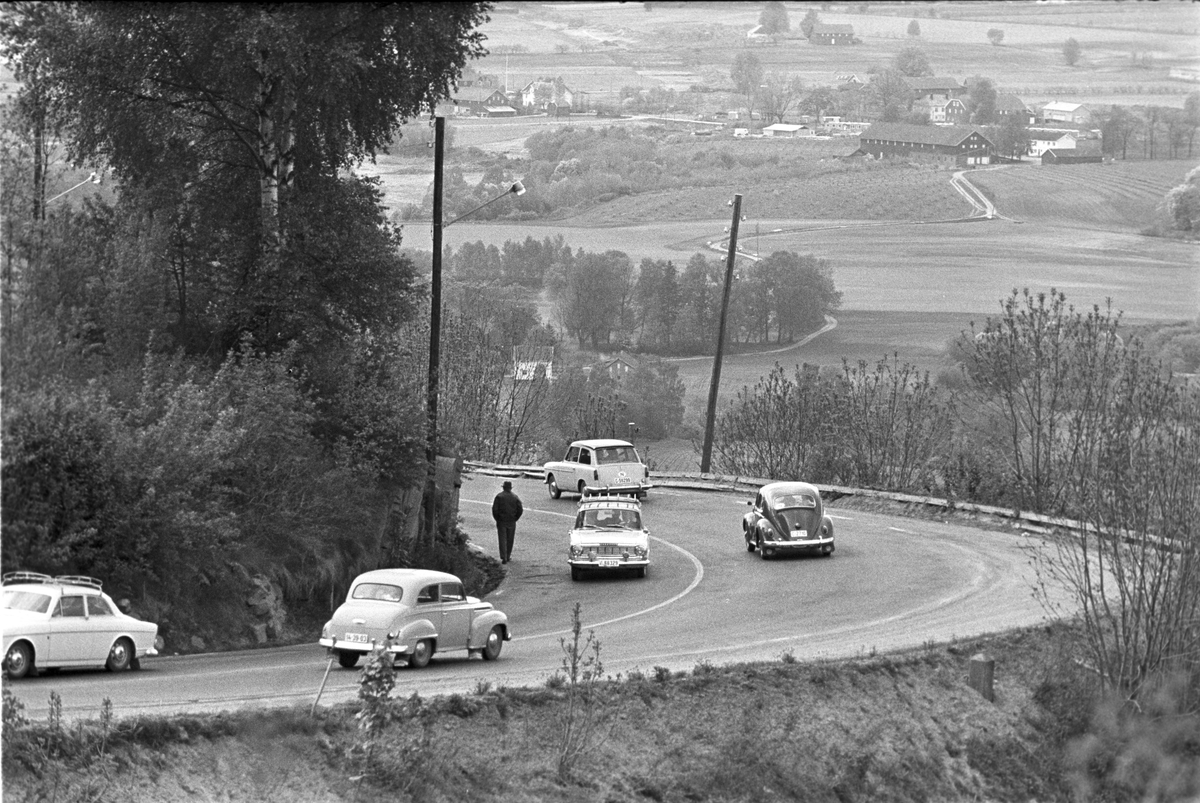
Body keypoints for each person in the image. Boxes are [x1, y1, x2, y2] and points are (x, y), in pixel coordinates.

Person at [491, 480, 523, 564]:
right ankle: (508, 556)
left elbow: (495, 510)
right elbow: (520, 509)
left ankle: (503, 556)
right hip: (512, 521)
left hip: (501, 521)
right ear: (510, 488)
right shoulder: (515, 497)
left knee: (502, 539)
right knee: (510, 539)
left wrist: (497, 518)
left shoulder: (499, 496)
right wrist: (516, 518)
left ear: (504, 487)